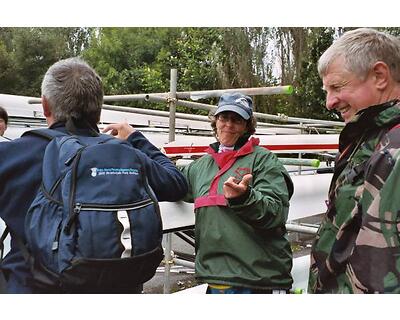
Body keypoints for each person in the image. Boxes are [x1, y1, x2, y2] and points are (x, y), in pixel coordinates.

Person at [0, 57, 188, 293]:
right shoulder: (125, 153)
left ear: (45, 105)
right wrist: (136, 138)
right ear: (98, 110)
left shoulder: (11, 155)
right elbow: (177, 183)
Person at [308, 28, 400, 293]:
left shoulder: (394, 146)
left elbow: (381, 267)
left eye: (337, 87)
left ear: (380, 76)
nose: (329, 102)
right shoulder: (367, 138)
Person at [180, 92, 294, 294]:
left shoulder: (264, 160)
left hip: (257, 280)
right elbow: (169, 182)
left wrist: (244, 198)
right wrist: (137, 144)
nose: (229, 125)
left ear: (247, 127)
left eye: (237, 120)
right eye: (224, 118)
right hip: (216, 278)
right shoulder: (201, 165)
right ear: (215, 121)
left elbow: (275, 213)